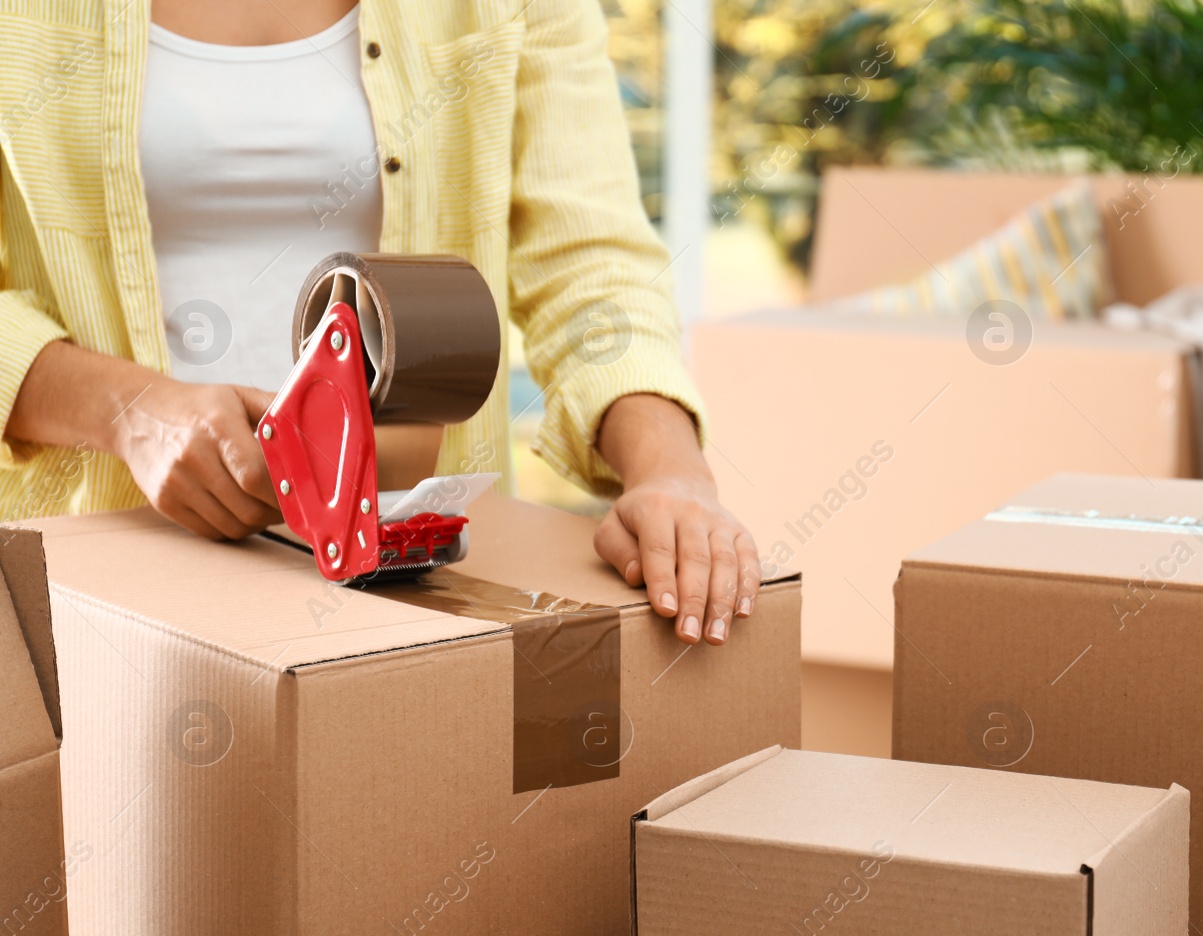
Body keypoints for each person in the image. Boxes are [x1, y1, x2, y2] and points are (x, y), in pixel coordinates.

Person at [0, 0, 758, 645]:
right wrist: (129, 411)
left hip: (417, 593)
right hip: (91, 590)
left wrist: (670, 467)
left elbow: (589, 261)